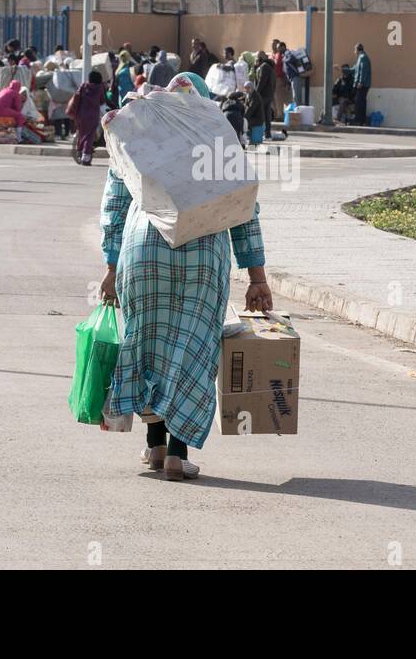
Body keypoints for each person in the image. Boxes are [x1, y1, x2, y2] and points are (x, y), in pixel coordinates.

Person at [99, 72, 273, 481]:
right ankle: (178, 453)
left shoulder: (139, 134)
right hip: (203, 257)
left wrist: (110, 266)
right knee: (191, 350)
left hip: (143, 252)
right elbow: (245, 211)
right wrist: (257, 277)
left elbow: (114, 205)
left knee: (148, 345)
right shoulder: (215, 136)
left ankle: (154, 446)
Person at [70, 69, 108, 165]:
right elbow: (102, 101)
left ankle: (80, 152)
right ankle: (86, 158)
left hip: (81, 115)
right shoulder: (99, 88)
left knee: (82, 134)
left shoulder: (83, 86)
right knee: (89, 136)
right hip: (92, 115)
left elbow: (77, 97)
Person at [250, 48, 276, 140]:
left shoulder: (264, 67)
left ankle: (262, 133)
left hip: (263, 95)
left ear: (260, 58)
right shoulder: (269, 66)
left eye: (257, 58)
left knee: (261, 114)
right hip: (268, 94)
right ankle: (267, 134)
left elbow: (261, 81)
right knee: (266, 114)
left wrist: (255, 93)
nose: (255, 60)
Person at [351, 43, 372, 126]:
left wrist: (361, 82)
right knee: (361, 102)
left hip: (363, 84)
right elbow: (354, 69)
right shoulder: (361, 58)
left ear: (357, 50)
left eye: (355, 50)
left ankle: (359, 120)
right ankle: (362, 121)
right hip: (363, 84)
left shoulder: (363, 58)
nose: (354, 52)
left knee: (359, 102)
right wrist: (342, 69)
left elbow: (363, 71)